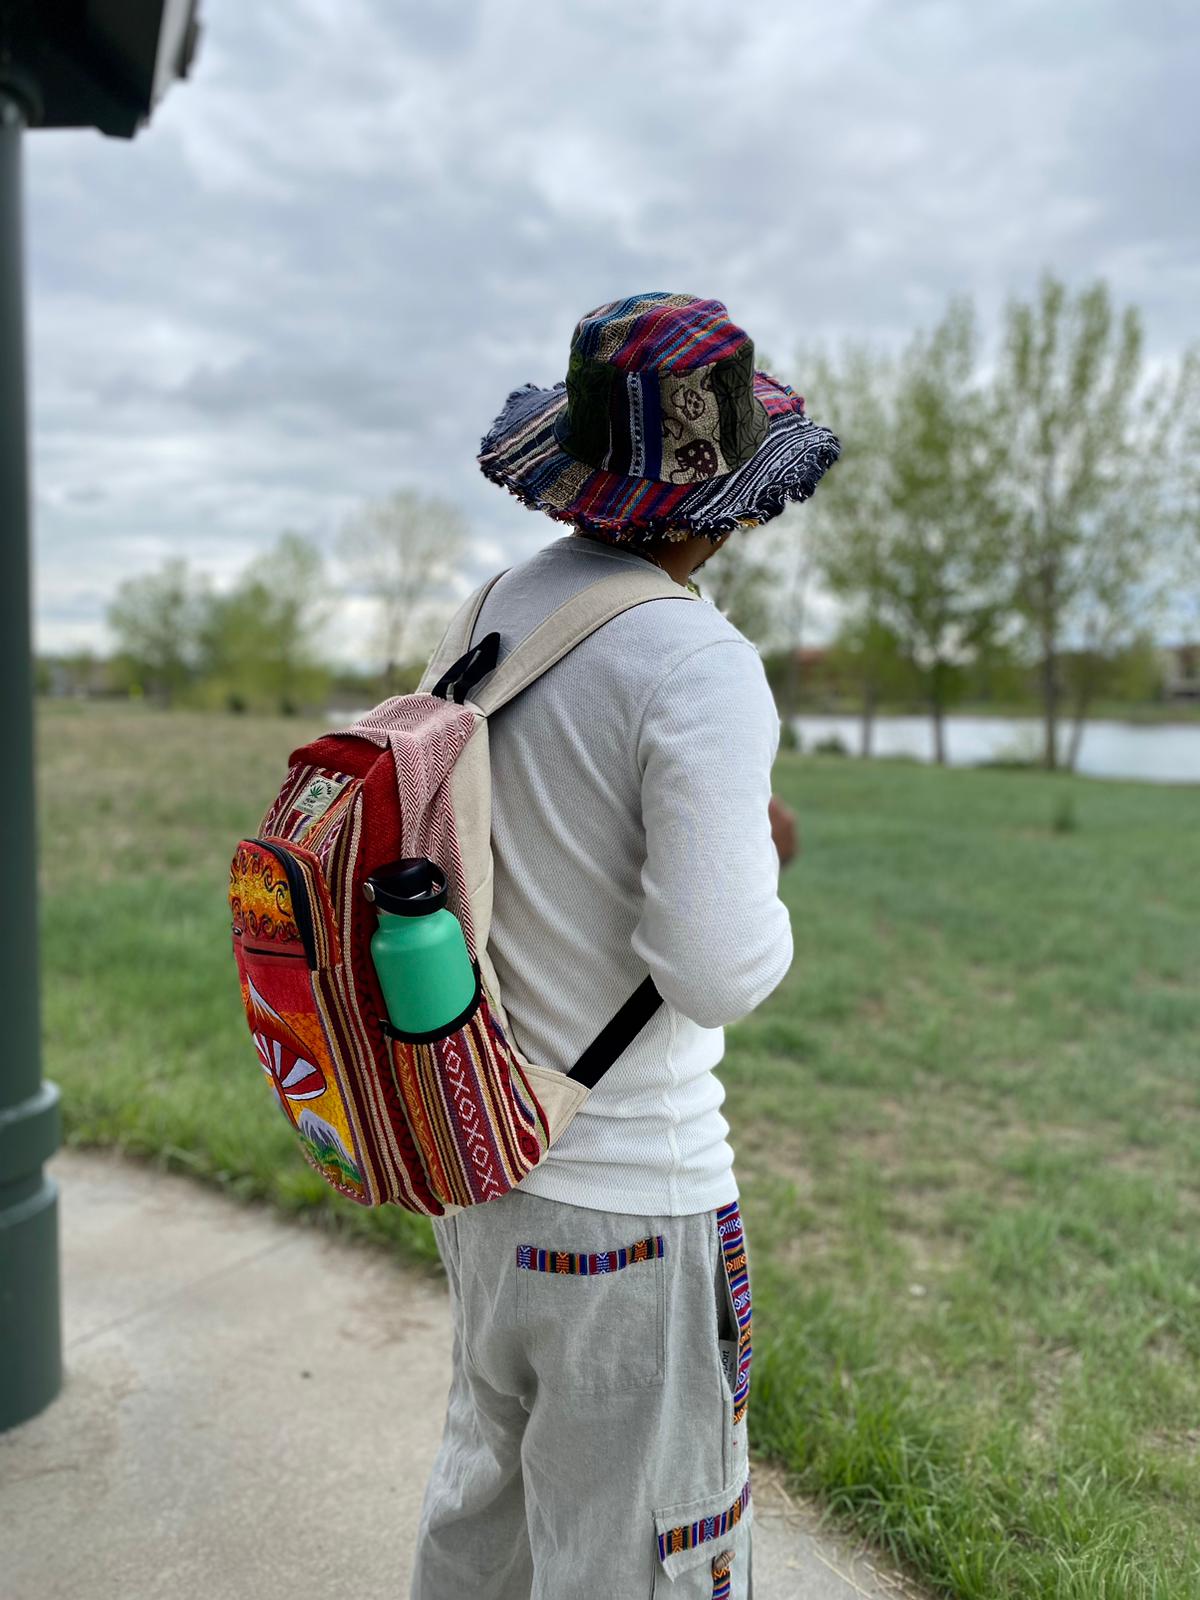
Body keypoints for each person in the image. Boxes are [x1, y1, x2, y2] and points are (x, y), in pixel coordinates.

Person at [409, 293, 839, 1600]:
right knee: (644, 1552)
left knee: (491, 1504)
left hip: (484, 1154)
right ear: (732, 503)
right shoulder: (693, 661)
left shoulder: (505, 606)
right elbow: (714, 968)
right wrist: (757, 872)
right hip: (628, 1201)